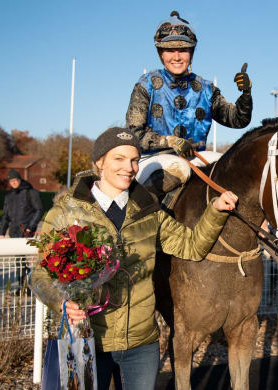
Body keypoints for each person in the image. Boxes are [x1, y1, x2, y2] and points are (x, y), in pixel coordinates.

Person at [30, 127, 238, 390]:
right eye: (119, 158)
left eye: (134, 160)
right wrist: (62, 302)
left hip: (141, 346)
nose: (128, 167)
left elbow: (192, 246)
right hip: (88, 341)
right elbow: (39, 275)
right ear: (99, 163)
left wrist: (215, 212)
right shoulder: (65, 213)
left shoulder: (149, 211)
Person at [125, 10, 253, 194]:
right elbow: (134, 134)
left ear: (191, 53)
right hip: (153, 159)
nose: (176, 57)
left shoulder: (206, 88)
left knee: (231, 169)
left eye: (183, 50)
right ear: (161, 53)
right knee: (180, 168)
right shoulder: (146, 85)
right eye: (169, 50)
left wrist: (246, 95)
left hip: (197, 157)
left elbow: (237, 120)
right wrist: (170, 141)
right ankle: (140, 217)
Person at [0, 169, 44, 293]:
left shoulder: (31, 192)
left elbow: (39, 210)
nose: (13, 183)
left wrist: (30, 226)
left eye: (15, 180)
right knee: (19, 260)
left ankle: (27, 286)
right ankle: (25, 286)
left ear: (19, 180)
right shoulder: (9, 196)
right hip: (14, 232)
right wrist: (1, 232)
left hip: (26, 232)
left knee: (22, 260)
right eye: (11, 181)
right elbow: (5, 215)